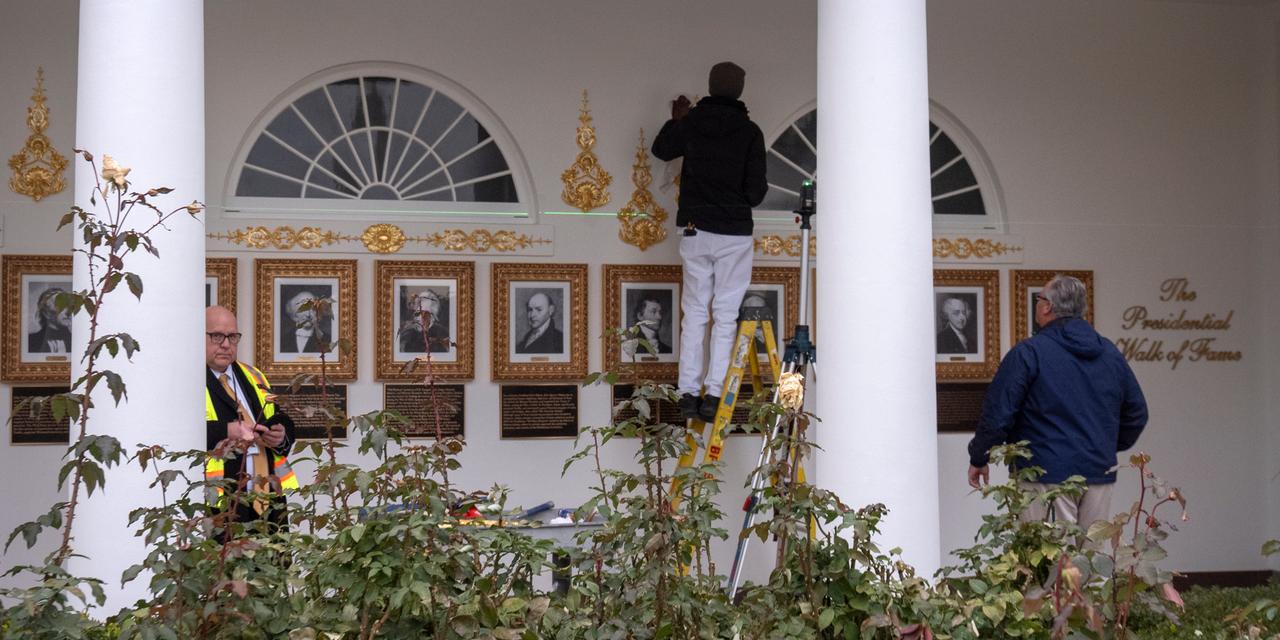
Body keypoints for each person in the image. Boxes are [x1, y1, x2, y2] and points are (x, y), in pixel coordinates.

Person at [966, 275, 1148, 528]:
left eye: (1039, 299)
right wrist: (1102, 445)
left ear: (1047, 307)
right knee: (1090, 561)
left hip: (1044, 472)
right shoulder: (1109, 353)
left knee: (1050, 560)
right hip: (1098, 473)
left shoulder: (1029, 352)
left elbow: (999, 413)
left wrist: (979, 457)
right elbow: (1137, 413)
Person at [651, 61, 767, 422]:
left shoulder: (693, 123)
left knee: (695, 313)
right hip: (733, 232)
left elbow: (661, 149)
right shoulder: (750, 132)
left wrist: (678, 118)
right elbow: (756, 192)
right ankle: (715, 395)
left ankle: (688, 394)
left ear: (711, 86)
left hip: (694, 228)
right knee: (726, 315)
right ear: (740, 90)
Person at [205, 305, 298, 530]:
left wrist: (280, 435)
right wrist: (228, 431)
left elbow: (279, 418)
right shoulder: (186, 378)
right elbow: (180, 435)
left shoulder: (253, 374)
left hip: (268, 498)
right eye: (217, 336)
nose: (226, 344)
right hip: (220, 502)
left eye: (232, 337)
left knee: (275, 562)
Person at [398, 288, 449, 353]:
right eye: (419, 313)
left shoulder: (443, 334)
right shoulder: (407, 334)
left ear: (434, 315)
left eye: (427, 313)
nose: (422, 318)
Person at [280, 289, 329, 353]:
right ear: (294, 314)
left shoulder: (327, 340)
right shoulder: (283, 340)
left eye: (312, 309)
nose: (308, 314)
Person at [27, 287, 72, 354]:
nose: (68, 311)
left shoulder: (77, 341)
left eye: (68, 305)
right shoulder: (30, 342)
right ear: (46, 313)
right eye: (60, 306)